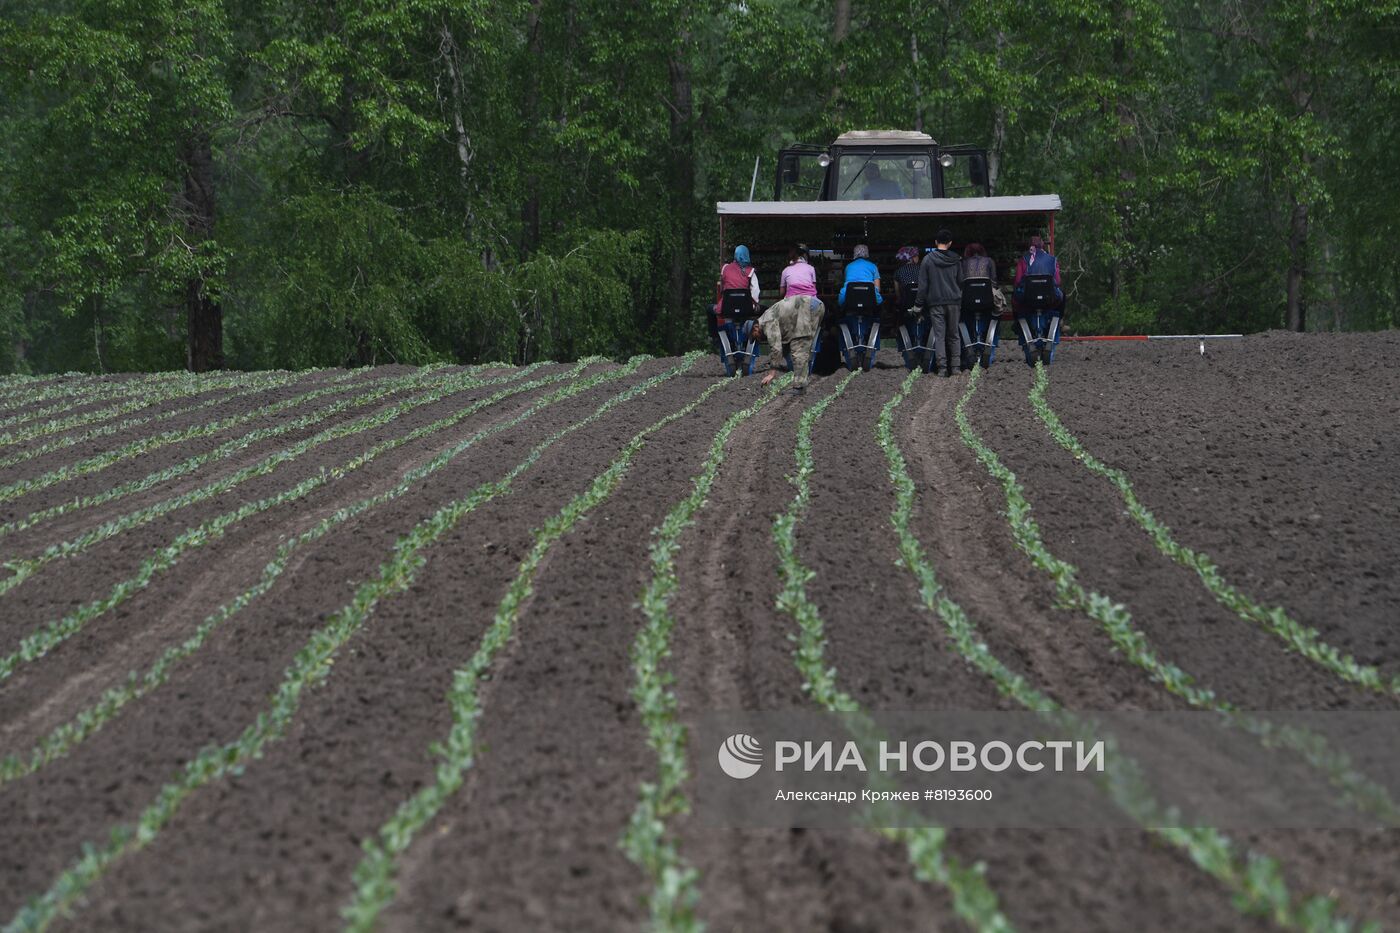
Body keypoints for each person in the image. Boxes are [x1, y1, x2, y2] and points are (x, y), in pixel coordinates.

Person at [1012, 235, 1064, 366]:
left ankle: (1018, 325)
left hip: (1028, 301)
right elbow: (1057, 281)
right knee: (1062, 297)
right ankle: (1059, 323)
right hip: (1048, 300)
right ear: (1043, 246)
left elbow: (1018, 281)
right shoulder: (1052, 260)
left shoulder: (1024, 260)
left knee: (1015, 299)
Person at [757, 294, 825, 394]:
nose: (757, 339)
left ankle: (799, 387)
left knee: (799, 347)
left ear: (755, 327)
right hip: (814, 305)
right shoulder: (767, 316)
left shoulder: (767, 322)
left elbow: (776, 347)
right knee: (800, 345)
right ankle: (801, 380)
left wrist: (771, 373)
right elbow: (783, 344)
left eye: (755, 336)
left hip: (807, 307)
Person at [918, 228, 962, 376]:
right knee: (954, 334)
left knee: (940, 336)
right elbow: (961, 281)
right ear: (950, 243)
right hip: (954, 302)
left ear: (936, 242)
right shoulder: (956, 259)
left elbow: (923, 285)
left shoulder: (927, 260)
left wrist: (918, 304)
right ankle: (956, 367)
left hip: (935, 303)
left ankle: (942, 368)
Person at [713, 245, 762, 375]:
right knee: (761, 316)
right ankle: (753, 342)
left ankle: (715, 337)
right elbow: (755, 293)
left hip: (727, 308)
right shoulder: (751, 271)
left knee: (712, 311)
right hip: (746, 310)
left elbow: (723, 286)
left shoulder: (725, 269)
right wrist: (755, 303)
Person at [958, 242, 1005, 369]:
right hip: (986, 303)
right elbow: (994, 281)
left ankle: (965, 350)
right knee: (997, 313)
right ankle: (992, 341)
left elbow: (960, 282)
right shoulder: (989, 261)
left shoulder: (963, 263)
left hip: (967, 303)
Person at [837, 244, 883, 370]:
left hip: (850, 302)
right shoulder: (873, 266)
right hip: (869, 302)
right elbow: (877, 288)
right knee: (878, 312)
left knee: (841, 310)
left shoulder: (848, 267)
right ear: (867, 253)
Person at [892, 246, 929, 371]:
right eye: (917, 255)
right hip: (923, 305)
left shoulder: (898, 272)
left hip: (906, 306)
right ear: (912, 257)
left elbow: (898, 294)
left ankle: (903, 344)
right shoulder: (923, 270)